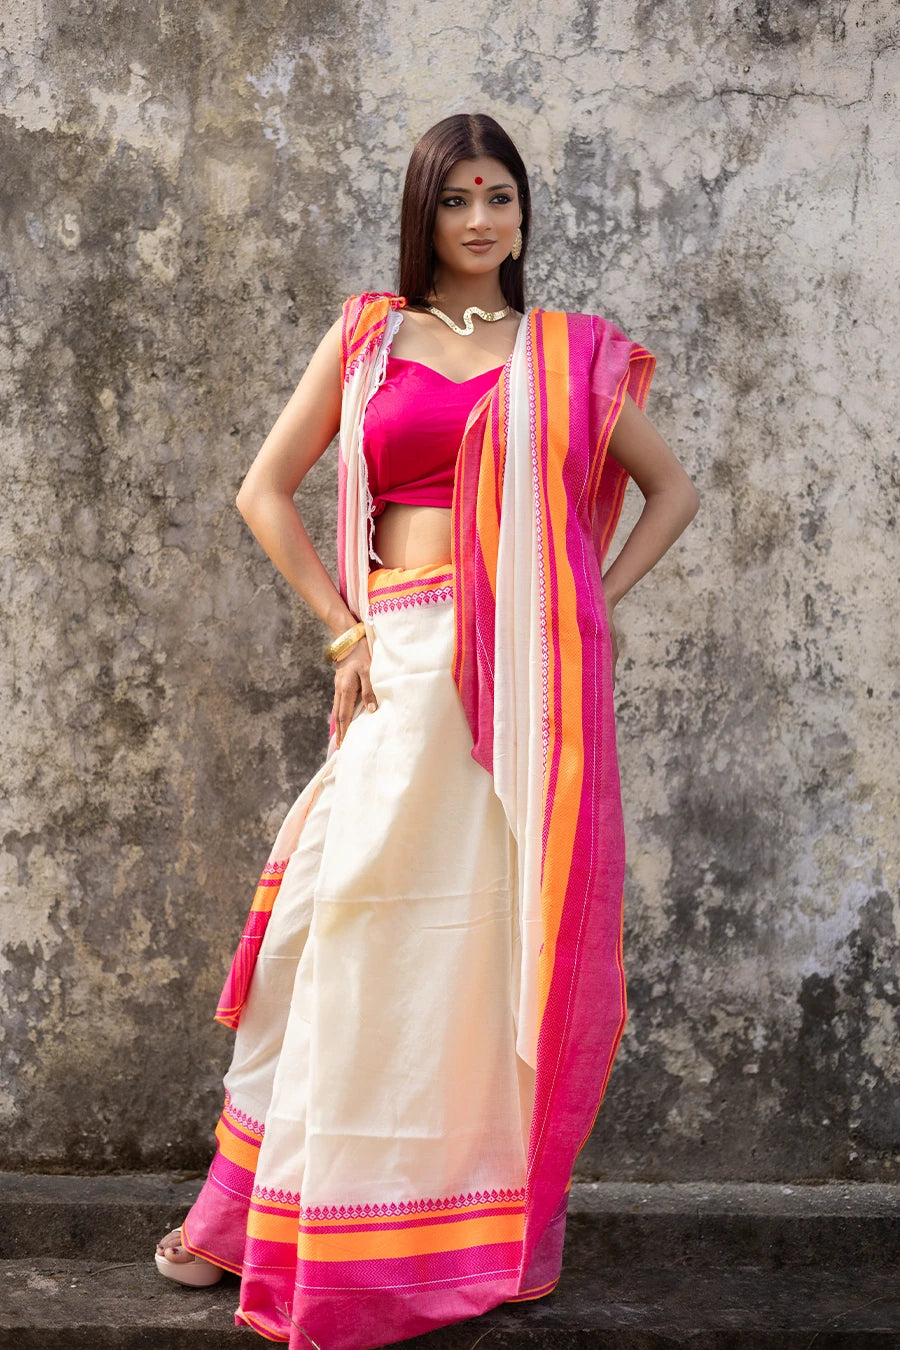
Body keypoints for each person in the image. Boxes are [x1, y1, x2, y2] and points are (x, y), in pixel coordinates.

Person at [154, 112, 699, 1350]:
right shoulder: (370, 336)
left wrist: (582, 616)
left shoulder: (567, 353)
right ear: (424, 217)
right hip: (401, 655)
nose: (479, 220)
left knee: (476, 949)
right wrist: (343, 638)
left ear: (521, 211)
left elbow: (672, 492)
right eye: (453, 199)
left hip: (522, 683)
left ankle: (444, 1228)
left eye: (498, 195)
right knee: (339, 924)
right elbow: (264, 491)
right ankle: (263, 1212)